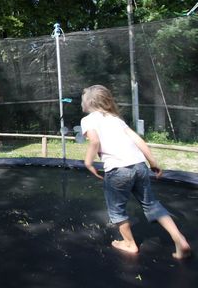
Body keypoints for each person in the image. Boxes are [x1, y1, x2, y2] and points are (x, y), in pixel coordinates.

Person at [80, 85, 191, 259]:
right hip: (140, 166)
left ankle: (130, 244)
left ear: (88, 103)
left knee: (116, 210)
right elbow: (139, 140)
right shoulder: (115, 119)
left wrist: (88, 162)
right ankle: (180, 239)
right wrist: (153, 162)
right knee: (152, 203)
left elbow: (94, 141)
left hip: (118, 170)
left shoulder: (88, 120)